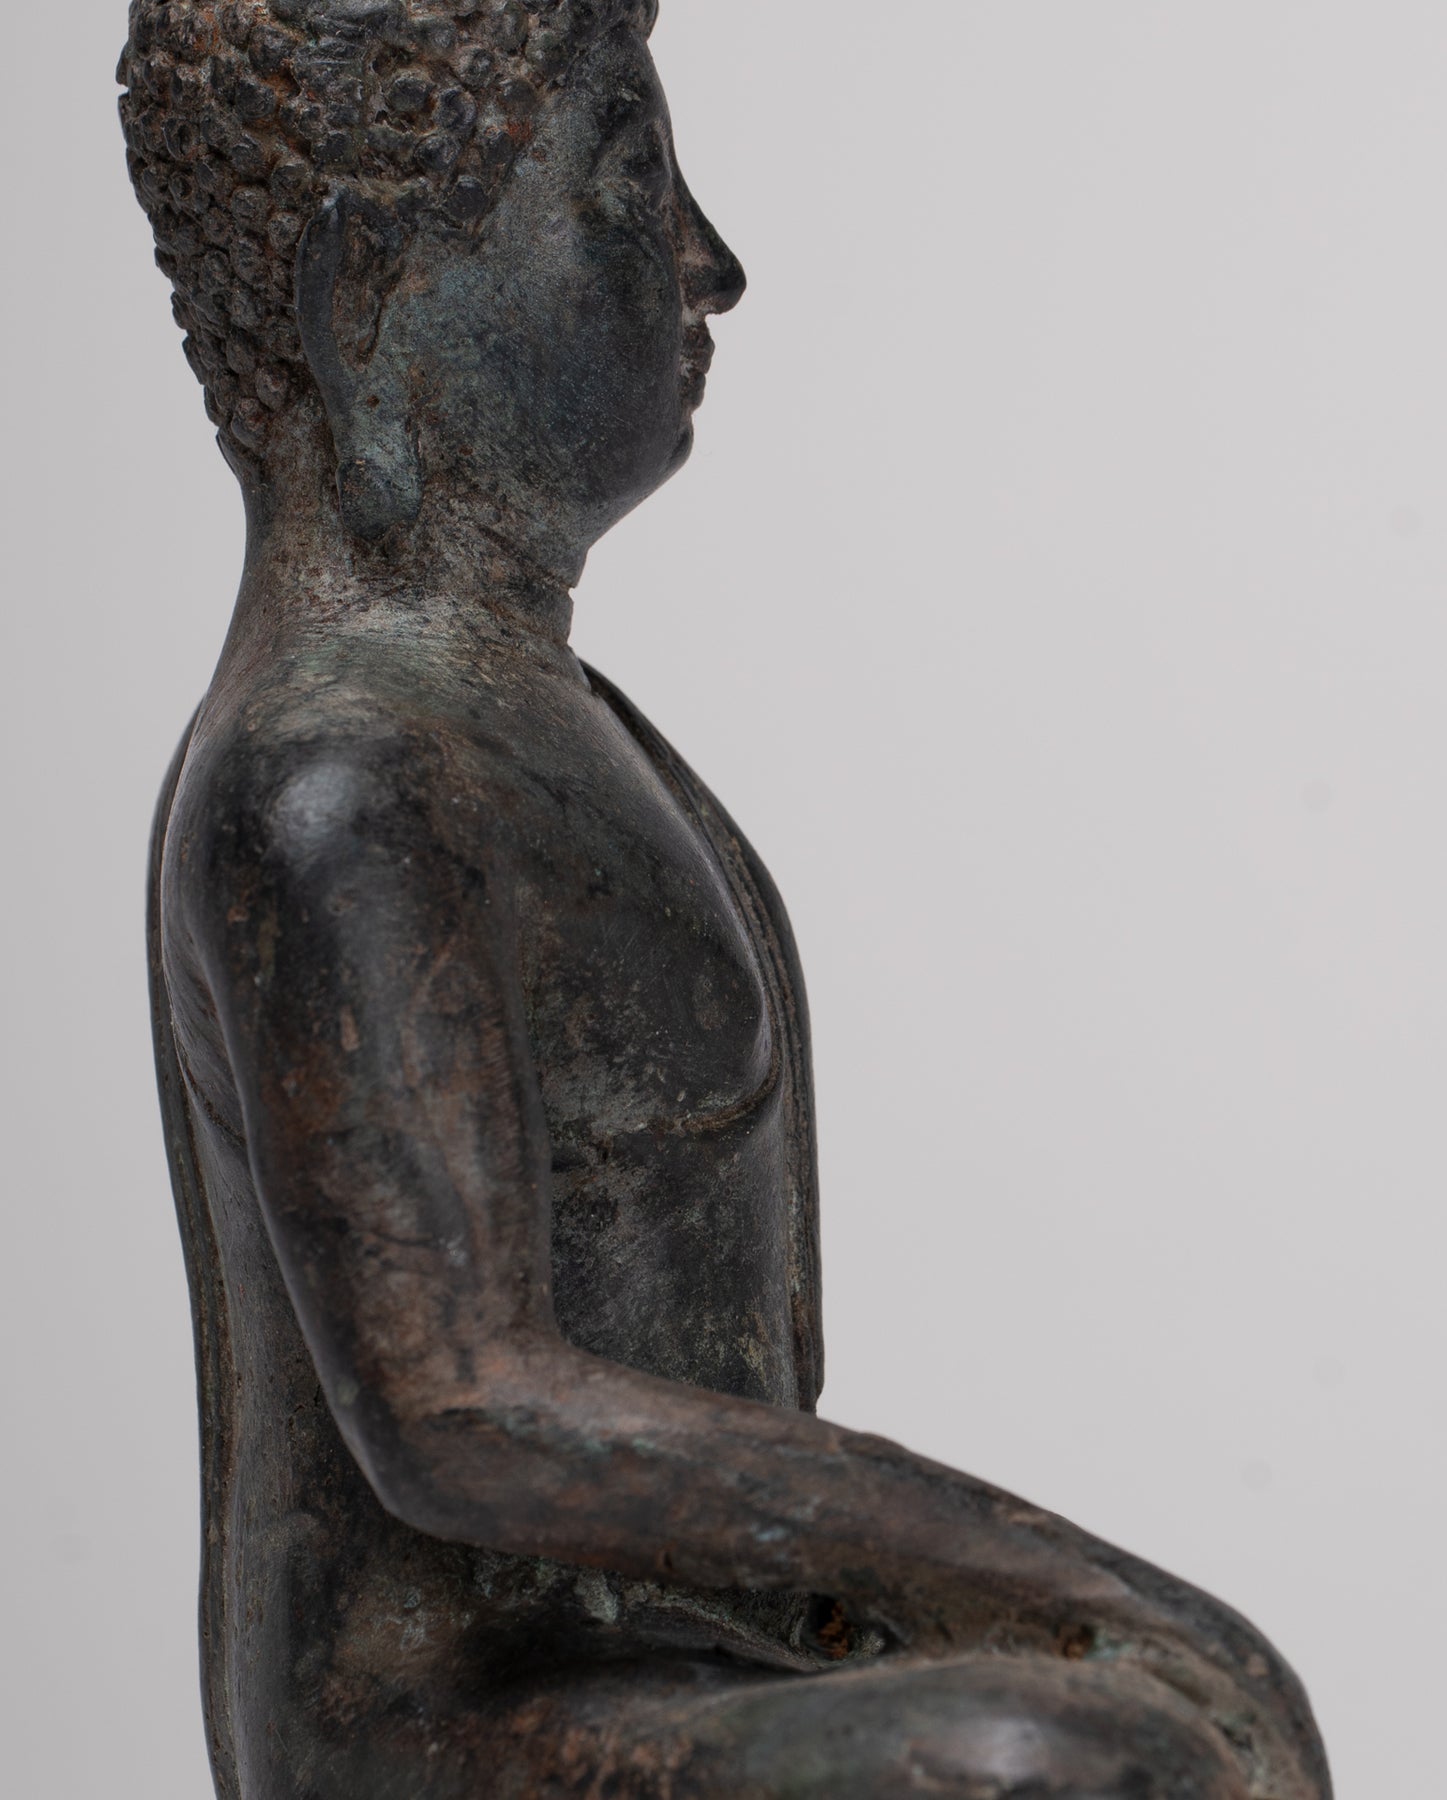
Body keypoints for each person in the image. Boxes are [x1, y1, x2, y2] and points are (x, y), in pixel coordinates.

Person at [123, 3, 1331, 1794]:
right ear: (366, 300)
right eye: (629, 184)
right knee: (1060, 1760)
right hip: (432, 1728)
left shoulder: (535, 725)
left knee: (1137, 1730)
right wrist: (1077, 1590)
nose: (710, 261)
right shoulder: (336, 782)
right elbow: (463, 1413)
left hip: (673, 1652)